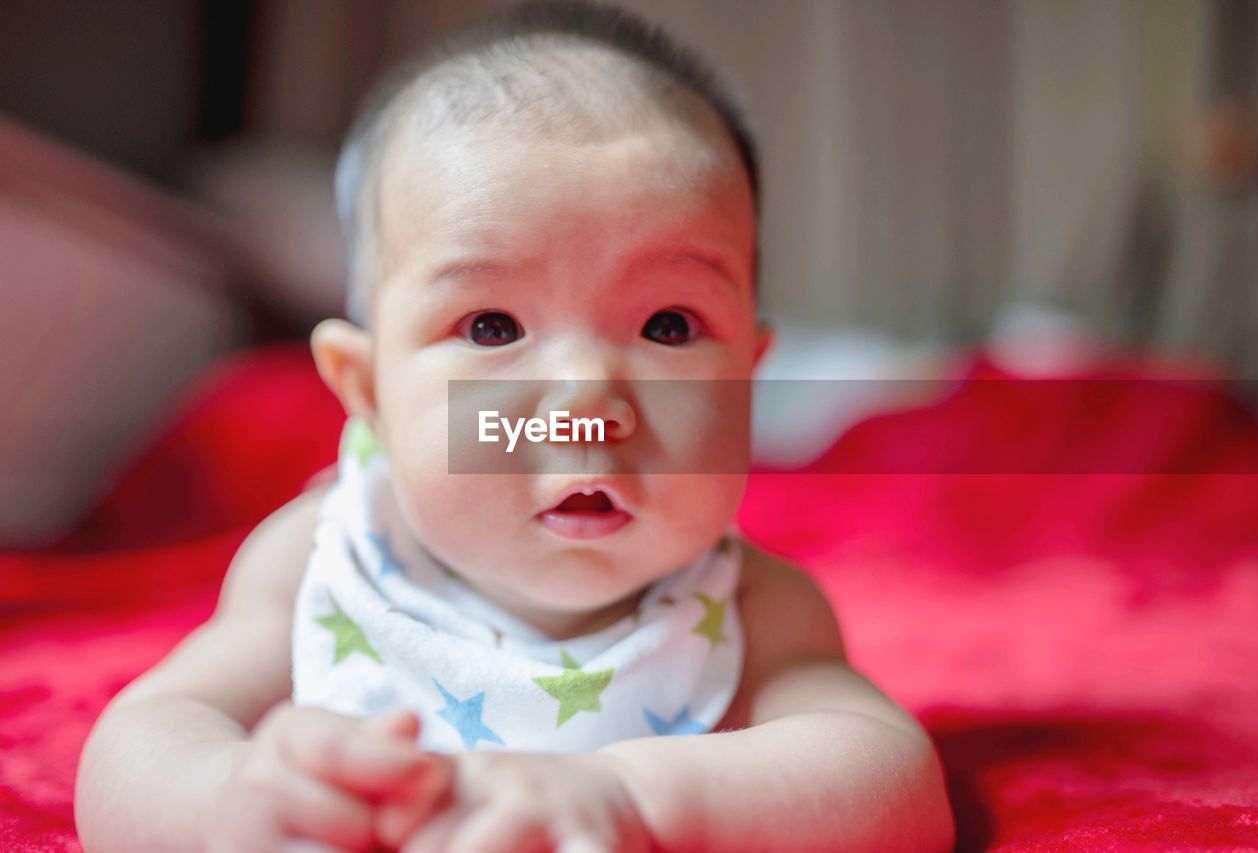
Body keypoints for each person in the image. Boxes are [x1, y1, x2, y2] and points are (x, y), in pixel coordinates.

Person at [75, 2, 953, 850]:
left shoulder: (749, 606)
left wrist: (633, 798)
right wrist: (224, 801)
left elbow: (893, 784)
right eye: (493, 327)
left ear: (746, 382)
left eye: (669, 326)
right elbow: (145, 735)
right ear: (369, 388)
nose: (585, 400)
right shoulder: (326, 562)